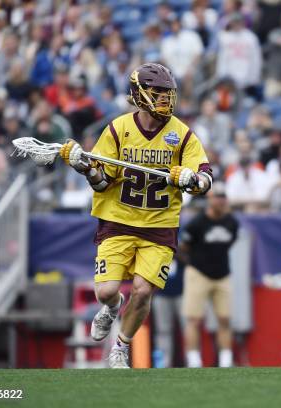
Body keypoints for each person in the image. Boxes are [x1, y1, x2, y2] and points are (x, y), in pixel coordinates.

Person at [59, 63, 213, 368]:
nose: (165, 100)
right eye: (157, 93)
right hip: (118, 219)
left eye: (167, 94)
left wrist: (191, 180)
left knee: (143, 292)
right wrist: (84, 167)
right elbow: (102, 181)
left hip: (159, 225)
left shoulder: (181, 135)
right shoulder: (118, 130)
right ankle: (112, 307)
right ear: (139, 94)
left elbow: (206, 179)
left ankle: (121, 346)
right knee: (106, 291)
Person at [180, 183, 238, 368]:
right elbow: (183, 247)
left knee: (225, 318)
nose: (221, 200)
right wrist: (194, 264)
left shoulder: (232, 222)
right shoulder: (197, 223)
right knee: (194, 319)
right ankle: (194, 359)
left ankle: (226, 359)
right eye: (217, 196)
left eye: (223, 196)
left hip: (222, 274)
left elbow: (229, 244)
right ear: (210, 199)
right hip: (199, 273)